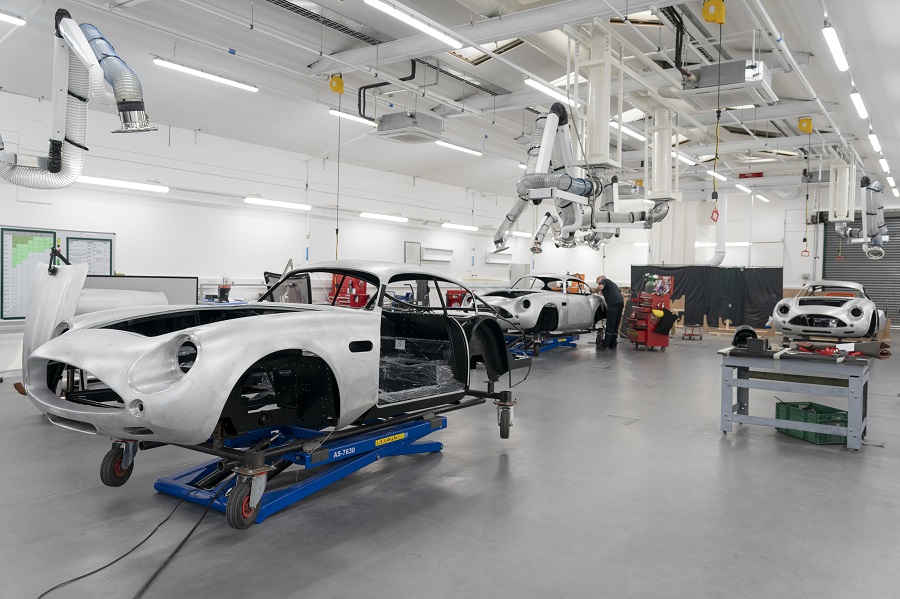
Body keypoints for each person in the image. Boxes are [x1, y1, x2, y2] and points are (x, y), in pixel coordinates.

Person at [592, 275, 624, 349]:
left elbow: (600, 287)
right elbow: (622, 295)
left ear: (602, 278)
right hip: (620, 303)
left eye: (597, 280)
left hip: (613, 303)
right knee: (615, 324)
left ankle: (606, 344)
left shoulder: (605, 280)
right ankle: (613, 343)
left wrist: (594, 290)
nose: (597, 282)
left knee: (610, 324)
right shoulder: (614, 284)